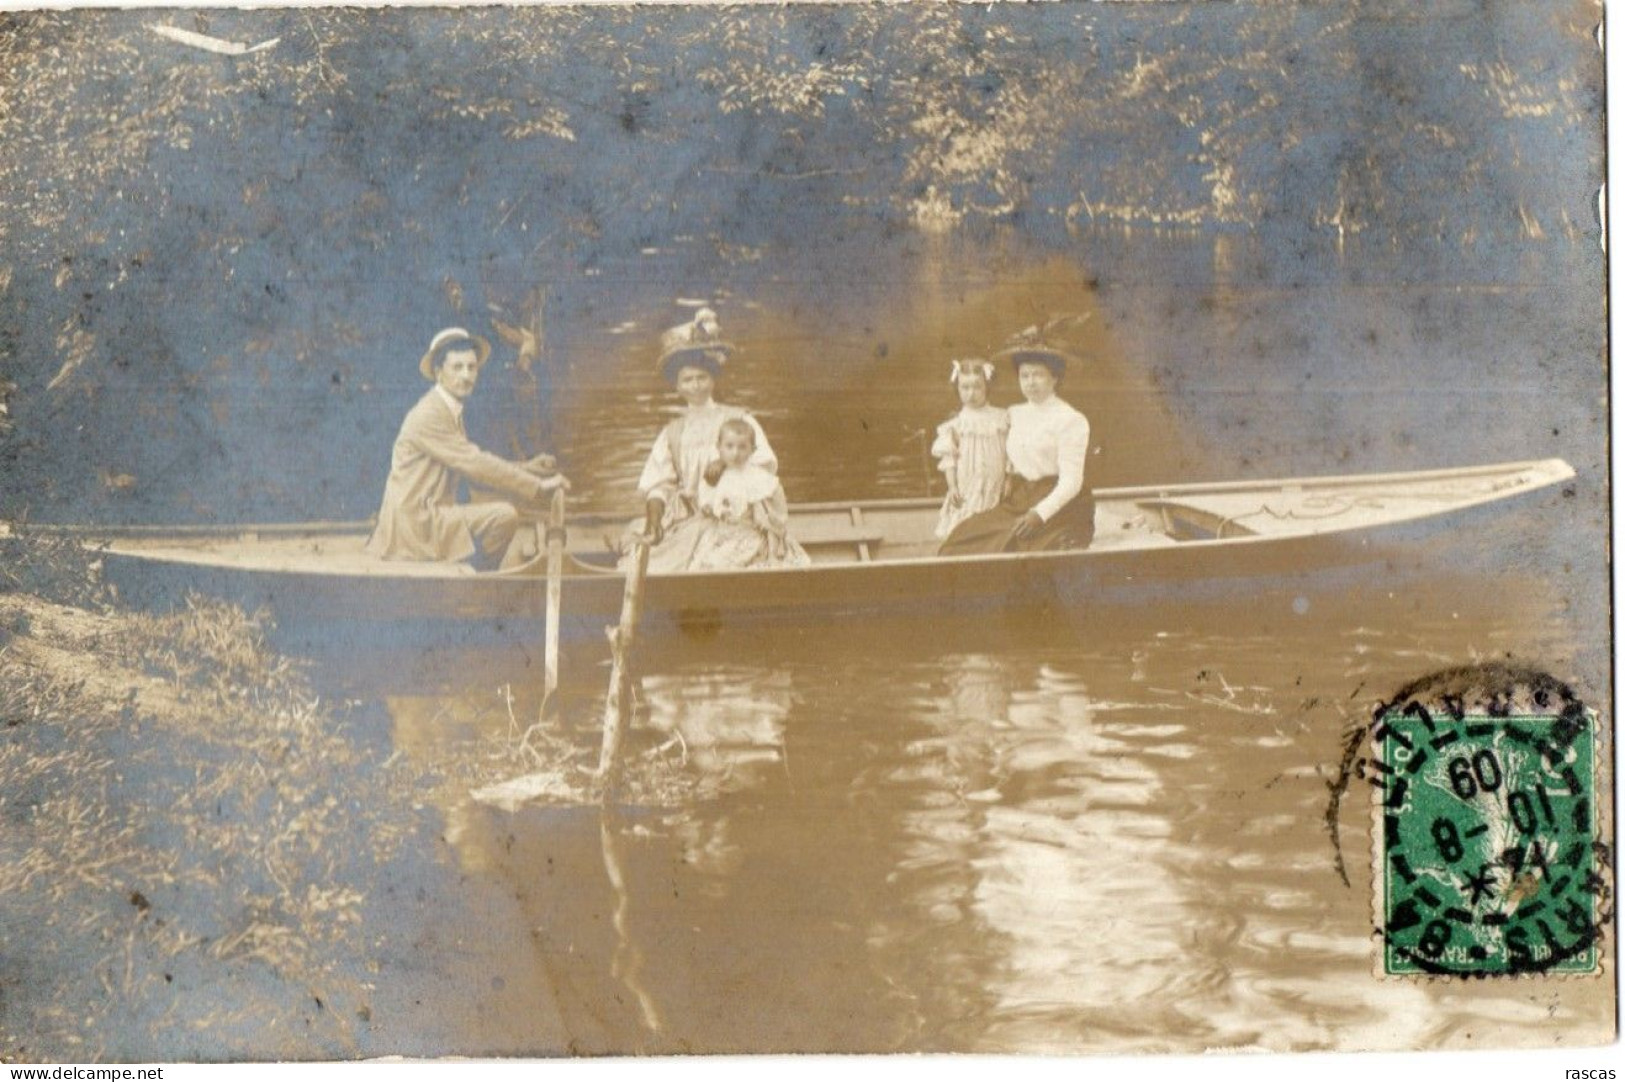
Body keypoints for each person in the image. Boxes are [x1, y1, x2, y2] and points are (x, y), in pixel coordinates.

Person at [366, 327, 569, 569]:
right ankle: (477, 580)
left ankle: (470, 570)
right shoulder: (430, 414)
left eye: (472, 367)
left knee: (497, 499)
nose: (466, 376)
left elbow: (471, 463)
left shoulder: (448, 408)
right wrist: (537, 486)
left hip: (425, 515)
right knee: (504, 516)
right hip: (416, 524)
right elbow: (474, 462)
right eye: (457, 367)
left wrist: (528, 468)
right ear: (439, 373)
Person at [627, 308, 777, 572]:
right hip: (692, 520)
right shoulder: (673, 432)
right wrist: (653, 523)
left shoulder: (739, 421)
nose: (695, 386)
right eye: (687, 380)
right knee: (640, 555)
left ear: (713, 380)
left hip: (736, 521)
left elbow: (765, 464)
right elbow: (658, 484)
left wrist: (727, 463)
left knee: (712, 564)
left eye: (701, 378)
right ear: (677, 386)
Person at [937, 339, 1094, 555]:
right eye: (1024, 375)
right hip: (1020, 499)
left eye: (1038, 374)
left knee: (1014, 549)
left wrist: (1039, 515)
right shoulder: (1013, 414)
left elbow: (1072, 482)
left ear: (1055, 378)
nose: (1030, 382)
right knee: (960, 540)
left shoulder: (1070, 419)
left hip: (1060, 505)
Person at [688, 418, 810, 571]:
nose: (735, 453)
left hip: (747, 533)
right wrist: (709, 506)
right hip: (722, 532)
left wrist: (774, 520)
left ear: (752, 450)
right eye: (729, 446)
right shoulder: (717, 474)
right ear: (719, 447)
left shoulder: (755, 476)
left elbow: (775, 495)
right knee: (703, 560)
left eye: (742, 447)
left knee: (731, 561)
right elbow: (707, 497)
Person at [930, 358, 1009, 539]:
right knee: (966, 523)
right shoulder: (955, 424)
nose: (971, 393)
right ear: (957, 388)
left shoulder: (1001, 418)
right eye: (965, 387)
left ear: (987, 387)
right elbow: (949, 459)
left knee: (992, 524)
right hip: (968, 482)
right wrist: (952, 486)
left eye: (977, 387)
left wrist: (1009, 479)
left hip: (995, 483)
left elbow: (1010, 452)